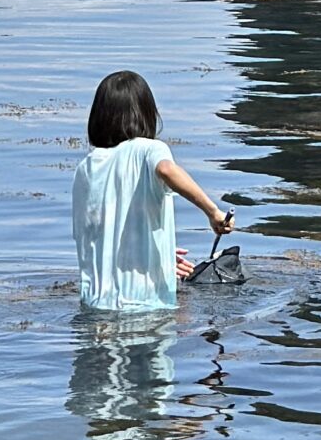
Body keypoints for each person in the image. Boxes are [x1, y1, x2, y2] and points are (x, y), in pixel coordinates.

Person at [71, 68, 234, 311]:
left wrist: (158, 255)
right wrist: (213, 212)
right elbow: (167, 170)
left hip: (94, 305)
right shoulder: (149, 149)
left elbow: (100, 237)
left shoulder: (86, 168)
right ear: (147, 114)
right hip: (144, 305)